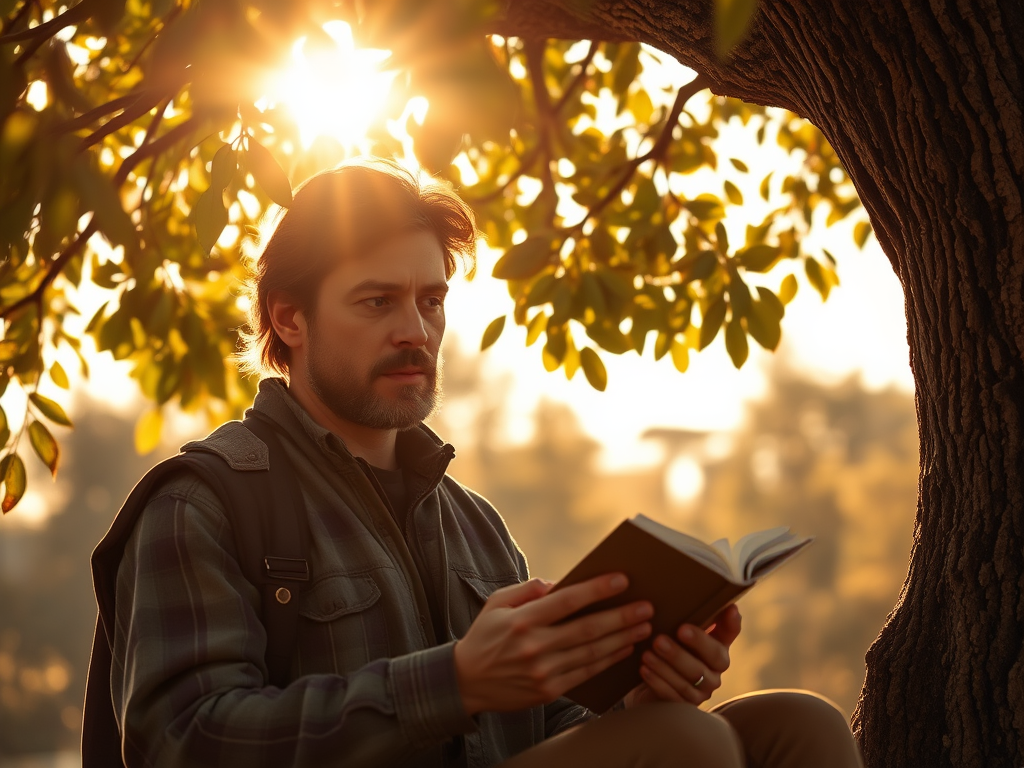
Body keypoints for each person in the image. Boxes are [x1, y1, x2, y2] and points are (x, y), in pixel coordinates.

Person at [101, 158, 863, 767]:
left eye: (431, 301)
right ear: (289, 318)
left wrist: (637, 703)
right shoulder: (203, 502)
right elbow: (181, 742)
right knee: (686, 748)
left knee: (796, 727)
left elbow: (539, 728)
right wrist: (451, 682)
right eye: (377, 302)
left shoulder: (472, 523)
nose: (415, 330)